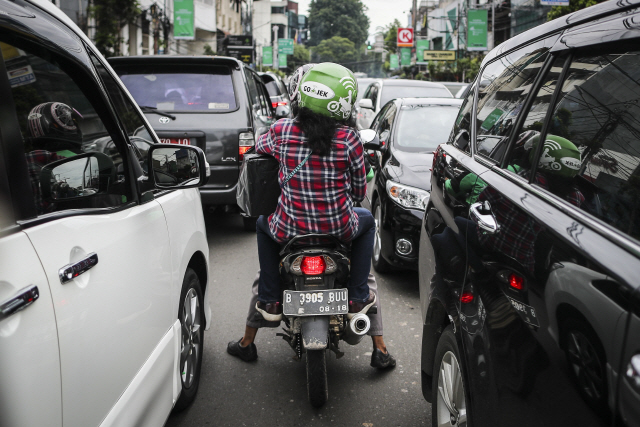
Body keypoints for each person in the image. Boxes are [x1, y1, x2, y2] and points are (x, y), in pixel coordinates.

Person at [228, 63, 395, 369]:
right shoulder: (349, 139)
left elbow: (258, 148)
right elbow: (360, 189)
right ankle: (360, 302)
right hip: (339, 230)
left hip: (289, 230)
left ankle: (270, 300)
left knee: (264, 225)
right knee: (367, 222)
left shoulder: (282, 131)